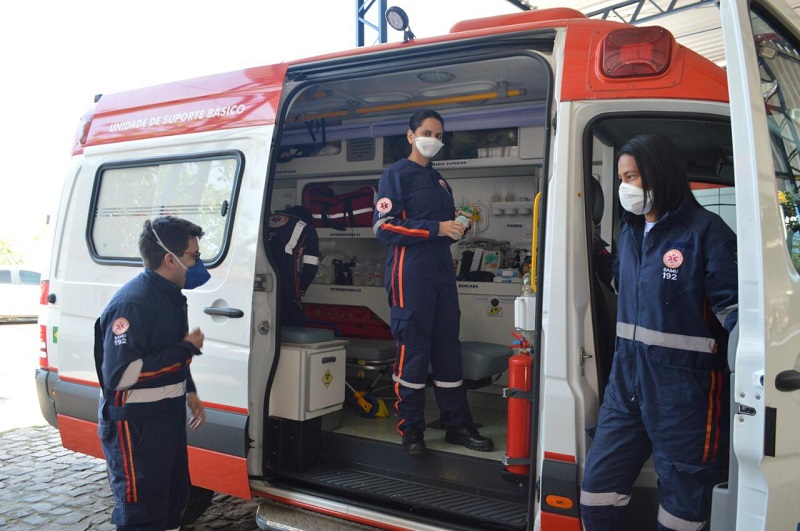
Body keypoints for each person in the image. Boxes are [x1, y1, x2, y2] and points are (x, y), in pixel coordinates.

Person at [580, 134, 738, 530]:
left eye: (632, 176)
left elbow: (735, 313)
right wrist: (591, 243)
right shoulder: (632, 233)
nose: (625, 188)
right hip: (625, 386)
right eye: (621, 178)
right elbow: (621, 280)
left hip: (684, 397)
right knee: (596, 498)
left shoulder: (708, 233)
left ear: (659, 173)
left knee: (681, 517)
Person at [372, 109, 493, 456]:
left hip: (441, 272)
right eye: (428, 133)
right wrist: (437, 227)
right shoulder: (396, 174)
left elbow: (441, 233)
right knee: (413, 351)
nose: (434, 140)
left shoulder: (440, 181)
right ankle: (411, 430)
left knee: (447, 349)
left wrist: (456, 227)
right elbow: (385, 227)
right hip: (409, 275)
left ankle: (456, 424)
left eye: (440, 136)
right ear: (410, 135)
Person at [94, 216, 210, 530]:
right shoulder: (134, 304)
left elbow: (164, 353)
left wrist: (190, 390)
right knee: (143, 516)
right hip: (136, 430)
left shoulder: (170, 296)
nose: (199, 264)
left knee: (172, 506)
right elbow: (122, 376)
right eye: (194, 257)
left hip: (165, 421)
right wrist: (186, 349)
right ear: (170, 259)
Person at [266, 205, 320, 326]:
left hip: (258, 286)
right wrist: (301, 288)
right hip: (286, 286)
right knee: (293, 323)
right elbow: (311, 264)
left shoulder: (265, 219)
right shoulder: (306, 227)